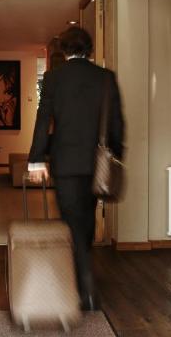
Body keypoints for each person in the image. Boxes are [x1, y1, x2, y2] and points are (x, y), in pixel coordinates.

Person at [27, 26, 125, 311]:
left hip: (66, 163)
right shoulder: (106, 78)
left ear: (64, 50)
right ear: (89, 49)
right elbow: (118, 124)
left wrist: (36, 160)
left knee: (73, 222)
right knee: (85, 219)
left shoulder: (54, 78)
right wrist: (114, 158)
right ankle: (84, 280)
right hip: (96, 164)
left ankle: (87, 289)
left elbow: (43, 120)